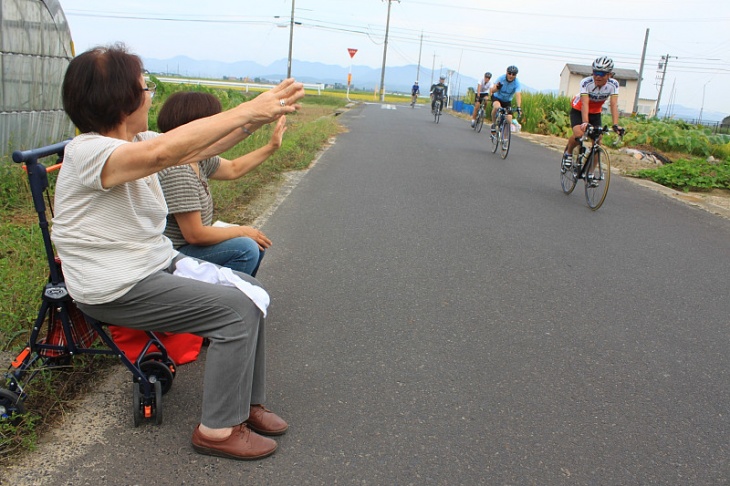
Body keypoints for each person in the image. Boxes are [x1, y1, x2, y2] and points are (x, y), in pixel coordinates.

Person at [51, 43, 305, 461]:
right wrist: (248, 111)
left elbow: (196, 148)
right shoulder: (89, 152)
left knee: (249, 293)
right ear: (122, 98)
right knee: (233, 310)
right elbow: (164, 153)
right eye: (144, 85)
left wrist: (264, 115)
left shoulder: (137, 141)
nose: (150, 93)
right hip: (117, 286)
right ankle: (219, 430)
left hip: (148, 267)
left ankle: (246, 403)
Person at [157, 91, 285, 278]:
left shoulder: (196, 158)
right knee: (246, 247)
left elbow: (233, 168)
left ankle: (237, 295)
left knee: (254, 244)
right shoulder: (179, 169)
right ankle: (216, 302)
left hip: (189, 247)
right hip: (175, 254)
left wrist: (271, 144)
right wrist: (241, 231)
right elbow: (195, 235)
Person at [561, 56, 624, 170]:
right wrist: (585, 123)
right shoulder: (586, 82)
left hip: (595, 113)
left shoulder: (613, 85)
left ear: (609, 75)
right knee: (579, 134)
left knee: (597, 141)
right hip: (579, 110)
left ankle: (590, 173)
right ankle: (568, 153)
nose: (597, 76)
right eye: (595, 72)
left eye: (602, 73)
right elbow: (585, 103)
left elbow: (614, 104)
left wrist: (615, 124)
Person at [489, 65, 522, 132]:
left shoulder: (517, 83)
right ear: (506, 73)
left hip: (507, 101)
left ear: (516, 75)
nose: (511, 76)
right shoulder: (501, 79)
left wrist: (519, 107)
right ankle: (494, 124)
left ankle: (505, 139)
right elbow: (492, 91)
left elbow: (518, 95)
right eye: (509, 73)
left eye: (513, 74)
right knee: (496, 107)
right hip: (497, 98)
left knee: (509, 119)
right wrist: (497, 88)